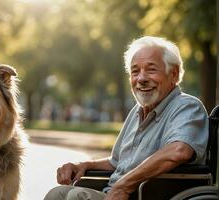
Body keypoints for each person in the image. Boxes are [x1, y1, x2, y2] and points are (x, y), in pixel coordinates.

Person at [44, 36, 209, 200]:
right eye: (135, 71)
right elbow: (116, 162)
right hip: (113, 194)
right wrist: (84, 165)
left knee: (76, 197)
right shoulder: (136, 112)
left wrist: (124, 185)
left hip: (146, 195)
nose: (141, 79)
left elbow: (179, 151)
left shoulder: (186, 106)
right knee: (57, 194)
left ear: (173, 74)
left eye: (151, 69)